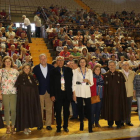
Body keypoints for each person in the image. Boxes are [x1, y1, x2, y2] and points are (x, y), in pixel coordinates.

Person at [15, 64, 43, 134]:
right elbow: (19, 87)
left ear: (30, 69)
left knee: (29, 111)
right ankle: (24, 128)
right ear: (23, 69)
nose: (27, 69)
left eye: (28, 68)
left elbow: (35, 85)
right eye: (25, 68)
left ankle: (28, 127)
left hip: (31, 98)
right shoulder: (21, 76)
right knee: (24, 111)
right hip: (24, 98)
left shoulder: (31, 76)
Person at [50, 56, 73, 132]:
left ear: (64, 61)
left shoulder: (69, 70)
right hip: (57, 94)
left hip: (67, 94)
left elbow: (71, 83)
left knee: (66, 111)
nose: (60, 62)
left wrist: (72, 93)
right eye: (58, 60)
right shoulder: (53, 71)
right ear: (56, 61)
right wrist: (52, 95)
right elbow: (51, 84)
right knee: (58, 111)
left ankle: (65, 126)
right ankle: (58, 126)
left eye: (61, 60)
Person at [102, 61, 127, 128]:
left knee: (117, 109)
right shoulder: (106, 75)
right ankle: (110, 123)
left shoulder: (120, 74)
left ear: (115, 65)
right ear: (108, 66)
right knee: (109, 108)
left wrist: (122, 95)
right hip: (109, 97)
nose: (112, 66)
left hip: (118, 97)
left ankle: (118, 123)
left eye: (113, 65)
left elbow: (123, 86)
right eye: (110, 65)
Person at [33, 54, 54, 130]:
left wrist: (53, 92)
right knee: (40, 108)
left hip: (49, 91)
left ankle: (48, 124)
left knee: (49, 109)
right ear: (39, 60)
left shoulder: (51, 67)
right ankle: (40, 124)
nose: (43, 60)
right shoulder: (35, 68)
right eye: (41, 59)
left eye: (44, 58)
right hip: (40, 91)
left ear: (47, 59)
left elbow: (53, 81)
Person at [73, 57, 94, 133]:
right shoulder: (76, 71)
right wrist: (74, 93)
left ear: (86, 63)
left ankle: (90, 125)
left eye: (83, 62)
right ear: (79, 63)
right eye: (81, 62)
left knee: (89, 109)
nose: (82, 63)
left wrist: (88, 80)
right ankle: (81, 123)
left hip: (87, 91)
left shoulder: (89, 71)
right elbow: (73, 83)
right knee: (80, 109)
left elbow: (92, 83)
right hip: (78, 91)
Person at [0, 56, 19, 134]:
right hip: (5, 92)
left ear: (11, 62)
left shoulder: (15, 71)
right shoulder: (1, 71)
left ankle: (13, 126)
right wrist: (0, 93)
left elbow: (19, 82)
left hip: (14, 92)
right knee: (7, 110)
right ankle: (8, 127)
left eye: (9, 61)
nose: (8, 63)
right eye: (6, 61)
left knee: (13, 110)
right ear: (4, 62)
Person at [121, 61, 135, 126]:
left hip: (130, 93)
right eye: (124, 65)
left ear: (129, 66)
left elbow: (134, 83)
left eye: (127, 65)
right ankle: (122, 121)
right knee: (122, 108)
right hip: (122, 93)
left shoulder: (133, 73)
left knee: (129, 108)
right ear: (122, 66)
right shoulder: (119, 73)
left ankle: (128, 121)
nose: (126, 66)